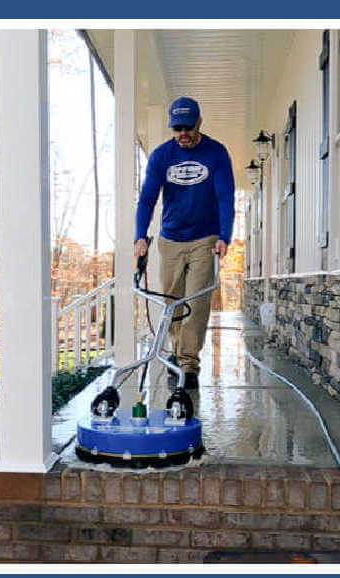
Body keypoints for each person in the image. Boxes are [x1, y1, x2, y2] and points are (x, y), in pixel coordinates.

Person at [134, 96, 235, 390]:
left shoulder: (216, 153)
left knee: (196, 301)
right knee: (172, 302)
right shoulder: (161, 156)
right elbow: (147, 198)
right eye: (177, 128)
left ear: (199, 122)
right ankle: (176, 356)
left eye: (188, 127)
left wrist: (225, 236)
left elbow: (226, 197)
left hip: (205, 238)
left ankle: (189, 364)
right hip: (170, 239)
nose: (183, 134)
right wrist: (140, 236)